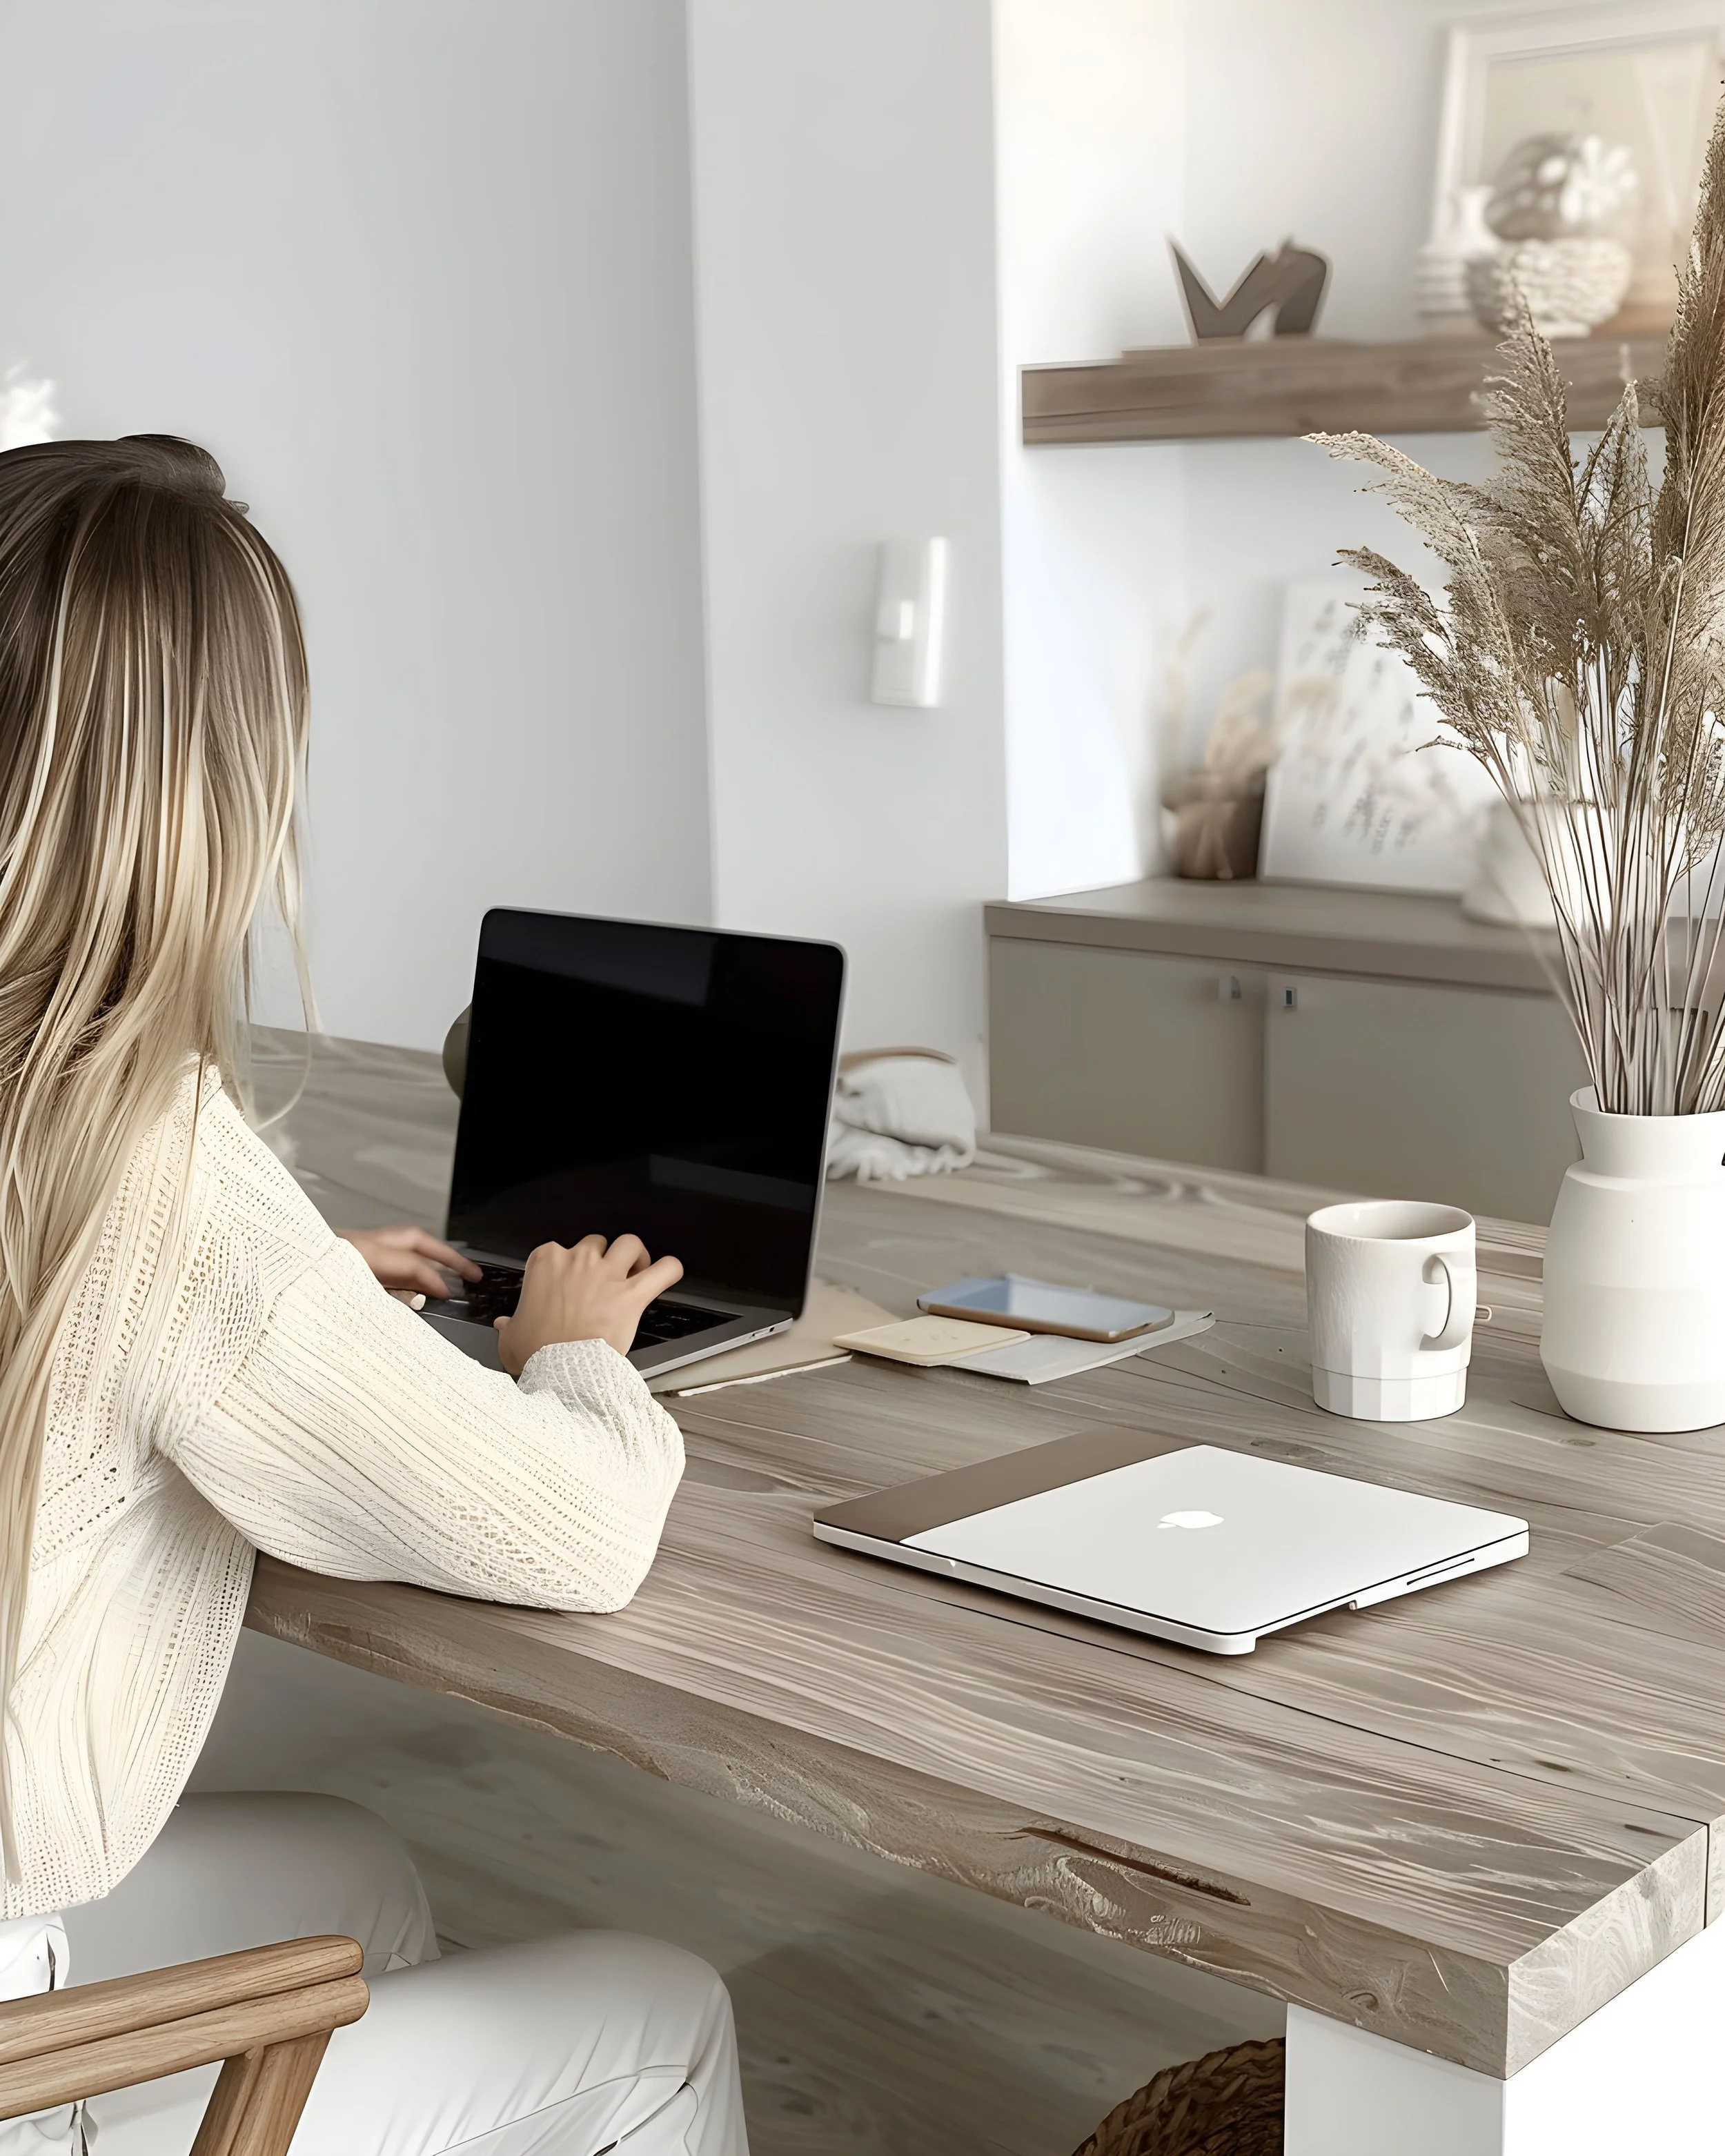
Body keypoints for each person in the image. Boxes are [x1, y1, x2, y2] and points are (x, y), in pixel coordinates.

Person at [0, 436, 747, 2154]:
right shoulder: (157, 1169)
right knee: (665, 2016)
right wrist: (569, 1356)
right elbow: (580, 1534)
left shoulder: (116, 1188)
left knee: (353, 1875)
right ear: (211, 795)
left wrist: (289, 1293)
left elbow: (87, 1302)